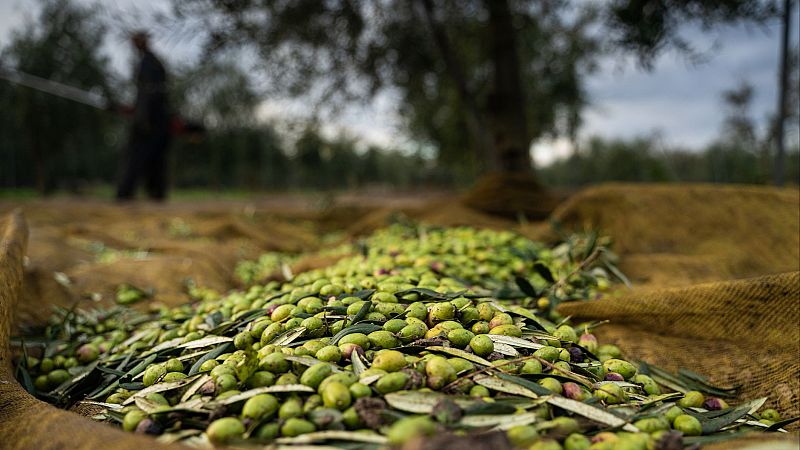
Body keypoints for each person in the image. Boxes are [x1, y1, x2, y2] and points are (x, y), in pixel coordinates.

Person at [116, 30, 170, 201]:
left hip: (150, 119)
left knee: (138, 156)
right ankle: (155, 193)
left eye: (137, 41)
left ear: (143, 41)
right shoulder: (149, 62)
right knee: (153, 157)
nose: (134, 44)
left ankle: (127, 193)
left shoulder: (149, 63)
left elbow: (149, 93)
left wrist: (142, 116)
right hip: (152, 116)